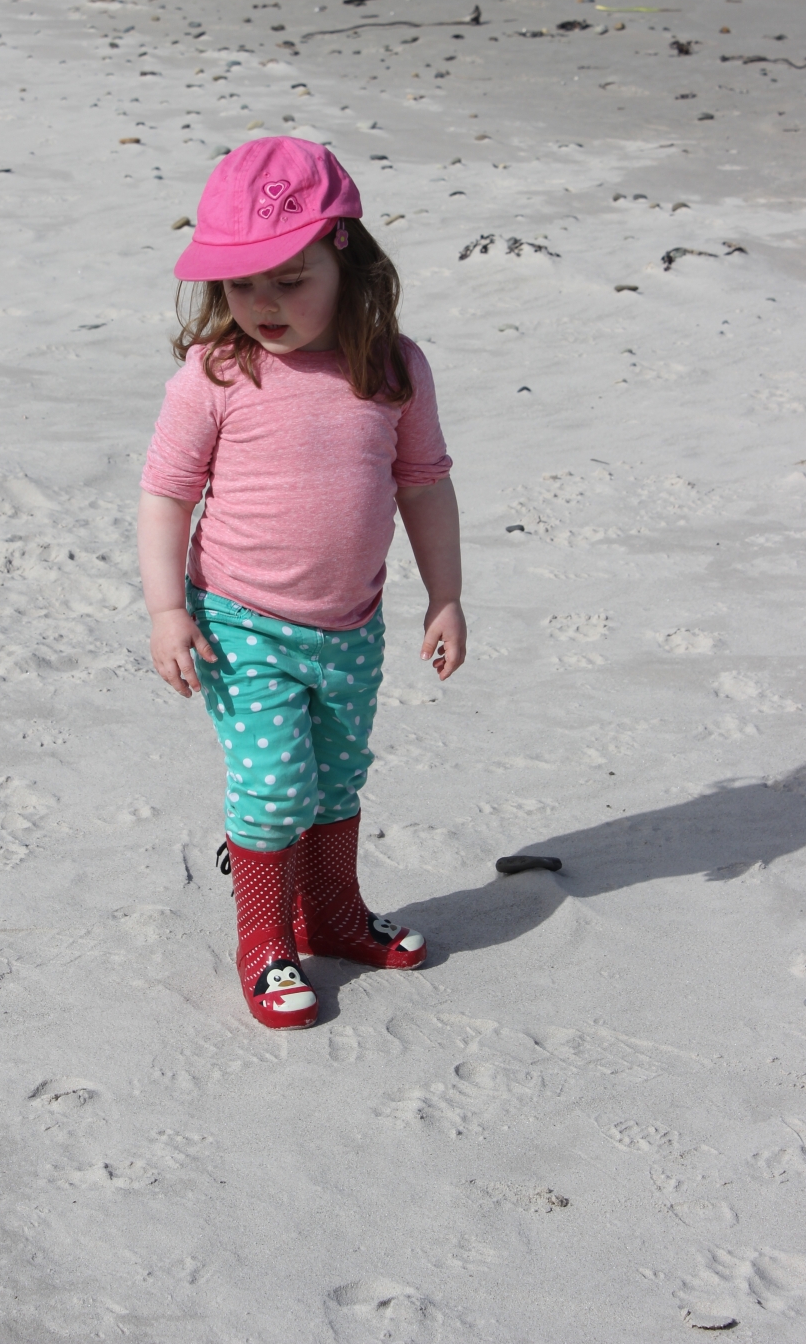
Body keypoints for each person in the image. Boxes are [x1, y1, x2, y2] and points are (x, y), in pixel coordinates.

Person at [138, 136, 465, 1030]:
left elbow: (423, 483)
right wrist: (166, 609)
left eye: (289, 278)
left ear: (345, 259)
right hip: (238, 620)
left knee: (337, 779)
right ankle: (263, 939)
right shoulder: (217, 373)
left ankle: (331, 914)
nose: (264, 304)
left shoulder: (392, 366)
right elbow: (166, 495)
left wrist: (445, 594)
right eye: (242, 284)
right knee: (276, 786)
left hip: (352, 622)